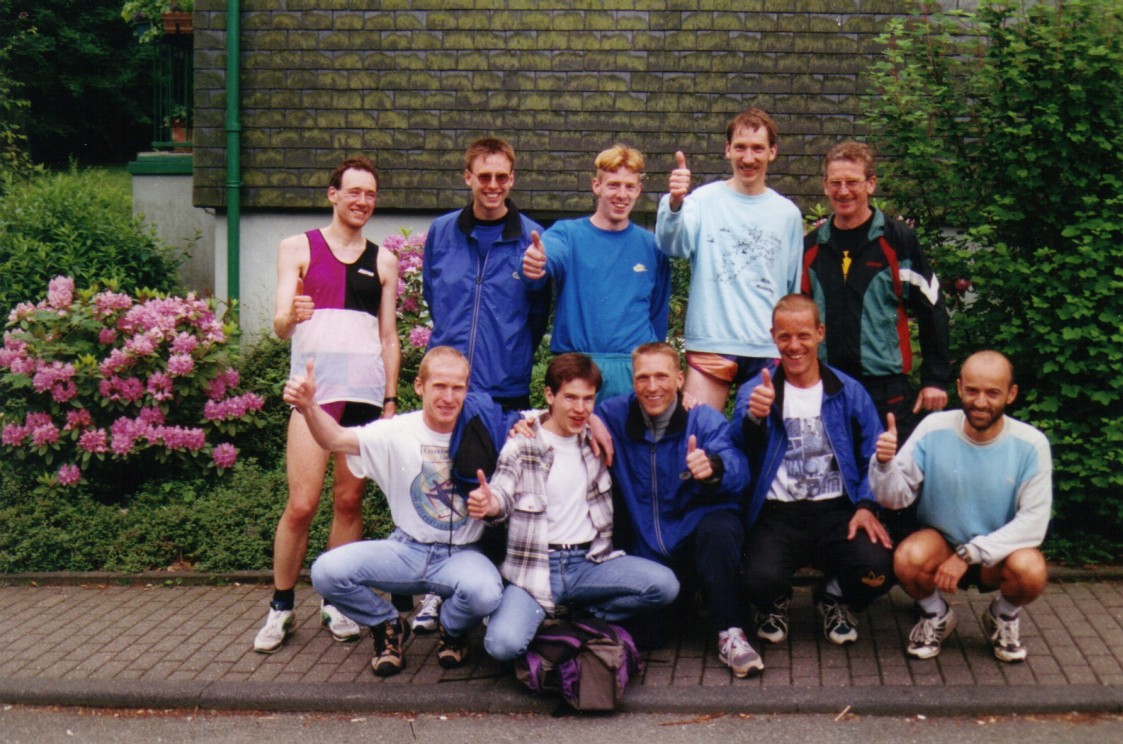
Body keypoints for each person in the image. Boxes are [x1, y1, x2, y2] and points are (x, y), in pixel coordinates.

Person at [255, 157, 401, 654]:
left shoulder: (384, 261)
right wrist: (290, 315)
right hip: (313, 396)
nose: (362, 201)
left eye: (370, 194)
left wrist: (390, 400)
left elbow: (388, 336)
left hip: (365, 397)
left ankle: (336, 601)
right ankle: (281, 606)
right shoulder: (296, 247)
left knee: (348, 502)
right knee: (302, 504)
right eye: (353, 191)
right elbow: (280, 325)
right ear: (332, 194)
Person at [286, 347, 503, 677]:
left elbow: (547, 419)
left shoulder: (485, 427)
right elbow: (335, 438)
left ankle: (452, 629)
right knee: (326, 572)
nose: (448, 397)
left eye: (457, 387)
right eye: (439, 386)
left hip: (461, 554)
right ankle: (387, 625)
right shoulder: (396, 430)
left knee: (485, 593)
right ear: (419, 386)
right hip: (407, 549)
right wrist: (309, 406)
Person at [467, 353, 680, 662]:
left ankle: (581, 618)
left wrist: (689, 400)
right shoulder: (523, 443)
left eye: (588, 399)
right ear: (550, 395)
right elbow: (502, 492)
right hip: (537, 568)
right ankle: (537, 615)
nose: (580, 408)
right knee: (502, 646)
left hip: (589, 563)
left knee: (665, 585)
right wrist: (490, 504)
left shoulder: (594, 441)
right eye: (570, 397)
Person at [733, 295, 894, 649]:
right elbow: (738, 450)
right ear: (773, 336)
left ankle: (834, 596)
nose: (794, 346)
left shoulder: (848, 391)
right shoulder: (756, 390)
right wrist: (754, 418)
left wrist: (866, 504)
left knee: (879, 569)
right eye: (785, 336)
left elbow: (871, 453)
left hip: (837, 511)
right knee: (753, 577)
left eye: (803, 335)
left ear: (820, 333)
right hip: (777, 514)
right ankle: (773, 601)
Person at [870, 351, 1051, 663]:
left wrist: (969, 554)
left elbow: (1033, 522)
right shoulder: (933, 427)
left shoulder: (1031, 444)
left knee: (1031, 570)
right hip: (942, 544)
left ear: (1011, 394)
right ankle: (935, 614)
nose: (980, 402)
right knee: (907, 558)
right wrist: (884, 465)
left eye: (992, 393)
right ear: (958, 388)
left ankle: (1003, 616)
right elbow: (894, 498)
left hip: (998, 553)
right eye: (972, 391)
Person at [597, 343, 757, 677]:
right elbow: (563, 416)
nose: (652, 386)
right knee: (651, 635)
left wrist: (714, 468)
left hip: (695, 540)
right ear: (633, 380)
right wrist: (589, 423)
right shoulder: (612, 415)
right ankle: (687, 602)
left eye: (661, 376)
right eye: (643, 378)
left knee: (721, 527)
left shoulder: (701, 418)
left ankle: (731, 631)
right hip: (649, 553)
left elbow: (739, 468)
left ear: (680, 379)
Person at [655, 107, 804, 412]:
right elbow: (673, 245)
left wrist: (792, 345)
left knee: (759, 436)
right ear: (727, 150)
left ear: (772, 152)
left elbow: (793, 292)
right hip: (712, 343)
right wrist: (675, 203)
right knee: (698, 434)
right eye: (740, 147)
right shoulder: (701, 201)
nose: (748, 158)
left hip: (766, 347)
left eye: (757, 148)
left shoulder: (787, 213)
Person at [802, 141, 950, 445]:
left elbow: (932, 308)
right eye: (835, 183)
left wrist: (934, 379)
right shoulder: (813, 247)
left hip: (886, 389)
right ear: (825, 186)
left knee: (889, 472)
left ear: (870, 184)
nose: (843, 191)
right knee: (835, 471)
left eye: (852, 182)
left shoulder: (897, 240)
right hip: (828, 385)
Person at [522, 144, 670, 401]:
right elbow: (547, 257)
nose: (621, 194)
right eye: (613, 185)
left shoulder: (652, 247)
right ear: (596, 186)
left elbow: (657, 317)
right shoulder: (567, 234)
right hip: (577, 369)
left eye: (629, 186)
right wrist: (537, 262)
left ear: (638, 190)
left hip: (633, 371)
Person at [422, 136, 549, 411]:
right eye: (484, 177)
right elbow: (434, 299)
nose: (493, 185)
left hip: (506, 386)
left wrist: (510, 353)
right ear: (468, 177)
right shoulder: (441, 232)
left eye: (501, 177)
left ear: (512, 179)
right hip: (447, 383)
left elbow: (538, 314)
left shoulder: (532, 239)